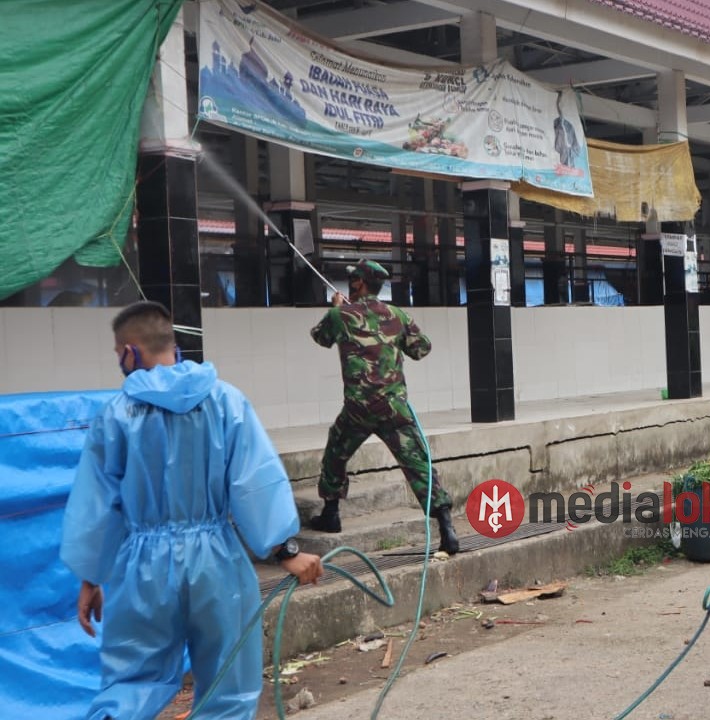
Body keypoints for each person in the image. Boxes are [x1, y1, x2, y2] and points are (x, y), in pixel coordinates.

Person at [60, 300, 322, 720]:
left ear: (129, 352)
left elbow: (98, 504)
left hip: (143, 570)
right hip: (216, 563)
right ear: (173, 344)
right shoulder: (226, 401)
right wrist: (285, 551)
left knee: (130, 683)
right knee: (228, 687)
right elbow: (255, 482)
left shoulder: (116, 415)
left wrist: (92, 576)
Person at [309, 259, 459, 554]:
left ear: (359, 283)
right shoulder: (397, 315)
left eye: (353, 279)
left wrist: (337, 308)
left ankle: (331, 513)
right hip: (393, 407)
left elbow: (320, 336)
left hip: (358, 409)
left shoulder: (341, 316)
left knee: (336, 450)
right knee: (418, 463)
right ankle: (446, 526)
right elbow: (422, 348)